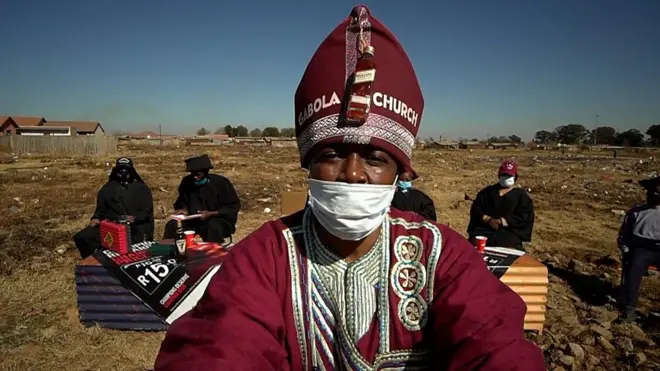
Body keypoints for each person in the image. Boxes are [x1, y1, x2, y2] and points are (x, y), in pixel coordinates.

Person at [154, 6, 544, 370]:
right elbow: (219, 347)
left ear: (398, 172)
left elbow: (495, 344)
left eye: (375, 158)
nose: (353, 174)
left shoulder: (443, 257)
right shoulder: (264, 258)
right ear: (307, 163)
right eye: (333, 154)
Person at [73, 157, 154, 259]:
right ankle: (95, 261)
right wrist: (95, 218)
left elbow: (147, 213)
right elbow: (100, 210)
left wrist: (133, 218)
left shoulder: (142, 189)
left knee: (127, 245)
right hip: (111, 227)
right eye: (121, 170)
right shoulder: (107, 188)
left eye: (126, 170)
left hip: (134, 228)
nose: (123, 172)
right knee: (83, 237)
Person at [163, 154, 240, 244]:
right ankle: (171, 251)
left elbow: (232, 207)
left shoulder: (221, 183)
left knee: (213, 227)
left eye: (199, 174)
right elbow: (181, 201)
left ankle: (213, 254)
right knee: (172, 225)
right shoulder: (187, 182)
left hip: (218, 219)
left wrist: (211, 214)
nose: (195, 177)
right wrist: (184, 209)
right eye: (193, 174)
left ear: (206, 172)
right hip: (193, 220)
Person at [616, 176, 660, 323]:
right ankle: (629, 309)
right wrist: (625, 249)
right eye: (653, 191)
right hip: (641, 249)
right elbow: (624, 235)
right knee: (634, 270)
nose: (656, 194)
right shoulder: (636, 213)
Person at [467, 160, 535, 251]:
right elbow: (476, 210)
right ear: (499, 175)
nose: (506, 178)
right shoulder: (486, 192)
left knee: (509, 245)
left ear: (515, 177)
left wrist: (501, 221)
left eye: (509, 175)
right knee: (475, 243)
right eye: (504, 175)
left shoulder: (521, 196)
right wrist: (488, 220)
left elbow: (524, 217)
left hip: (509, 232)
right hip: (485, 230)